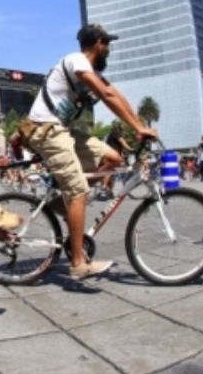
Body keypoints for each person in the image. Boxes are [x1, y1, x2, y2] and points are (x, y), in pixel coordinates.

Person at [25, 23, 156, 279]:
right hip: (46, 129)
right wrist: (139, 127)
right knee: (78, 191)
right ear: (98, 43)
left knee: (113, 158)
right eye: (107, 44)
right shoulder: (77, 61)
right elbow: (106, 94)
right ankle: (77, 263)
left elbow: (114, 94)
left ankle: (62, 202)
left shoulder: (90, 71)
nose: (109, 50)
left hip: (61, 130)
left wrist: (139, 126)